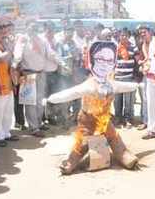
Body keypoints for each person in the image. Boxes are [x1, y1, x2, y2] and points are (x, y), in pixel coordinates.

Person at [44, 40, 141, 175]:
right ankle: (71, 162)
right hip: (87, 120)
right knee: (82, 143)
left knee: (114, 137)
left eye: (109, 60)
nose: (104, 63)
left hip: (105, 120)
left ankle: (123, 154)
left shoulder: (111, 83)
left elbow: (123, 86)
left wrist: (137, 85)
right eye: (100, 59)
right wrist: (51, 99)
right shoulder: (89, 85)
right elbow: (72, 93)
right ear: (92, 60)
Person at [12, 20, 60, 137]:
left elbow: (50, 54)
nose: (33, 29)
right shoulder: (22, 39)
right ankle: (33, 128)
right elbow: (17, 55)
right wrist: (14, 66)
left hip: (41, 73)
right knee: (30, 102)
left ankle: (38, 123)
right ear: (27, 27)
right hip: (27, 74)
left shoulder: (42, 40)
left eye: (35, 27)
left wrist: (61, 62)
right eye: (31, 26)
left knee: (39, 101)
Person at [114, 29, 139, 129]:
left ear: (129, 37)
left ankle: (128, 119)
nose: (123, 37)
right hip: (117, 78)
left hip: (129, 78)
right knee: (117, 100)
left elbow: (137, 62)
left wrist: (136, 76)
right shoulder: (115, 47)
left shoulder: (134, 48)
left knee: (128, 101)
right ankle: (118, 118)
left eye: (125, 35)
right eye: (122, 35)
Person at [136, 26, 152, 130]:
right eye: (140, 33)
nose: (142, 34)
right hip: (146, 75)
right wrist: (141, 63)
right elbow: (139, 57)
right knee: (146, 99)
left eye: (144, 32)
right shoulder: (141, 44)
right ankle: (146, 121)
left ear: (149, 32)